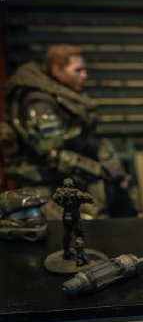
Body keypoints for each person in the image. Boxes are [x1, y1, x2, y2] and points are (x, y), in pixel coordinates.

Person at [5, 45, 134, 219]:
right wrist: (97, 170)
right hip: (49, 187)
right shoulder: (38, 101)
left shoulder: (64, 95)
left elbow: (83, 136)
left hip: (74, 182)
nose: (84, 76)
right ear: (57, 69)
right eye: (77, 70)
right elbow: (51, 153)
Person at [52, 178, 94, 266]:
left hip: (65, 216)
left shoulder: (60, 192)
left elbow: (54, 198)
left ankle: (66, 252)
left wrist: (62, 202)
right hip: (75, 217)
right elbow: (90, 199)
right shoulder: (77, 193)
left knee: (67, 233)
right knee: (79, 236)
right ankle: (80, 258)